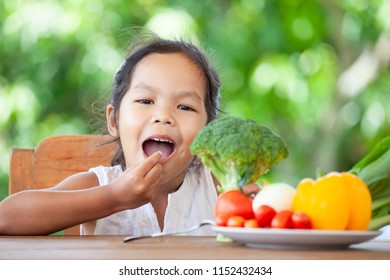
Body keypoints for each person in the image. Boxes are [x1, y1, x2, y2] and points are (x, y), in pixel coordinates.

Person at [0, 33, 259, 236]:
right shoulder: (99, 186)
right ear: (114, 120)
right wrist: (112, 198)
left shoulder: (220, 190)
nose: (163, 115)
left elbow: (280, 216)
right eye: (146, 101)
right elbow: (6, 218)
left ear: (206, 135)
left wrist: (263, 201)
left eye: (185, 107)